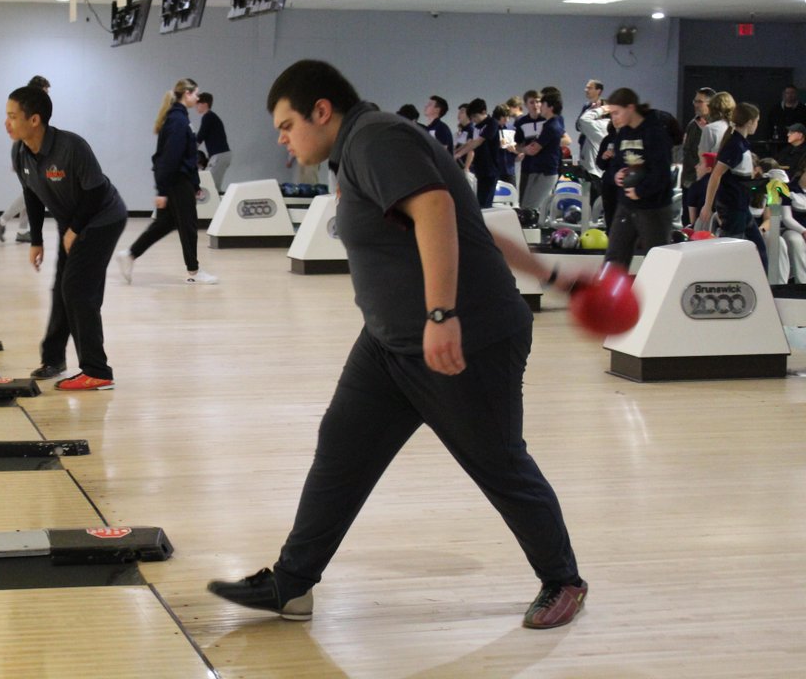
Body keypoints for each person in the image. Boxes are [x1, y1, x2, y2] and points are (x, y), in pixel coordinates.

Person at [207, 59, 587, 630]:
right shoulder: (363, 146)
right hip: (390, 344)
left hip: (466, 340)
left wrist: (442, 314)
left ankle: (563, 579)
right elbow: (468, 220)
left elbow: (436, 209)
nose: (281, 138)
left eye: (286, 125)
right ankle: (292, 583)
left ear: (322, 110)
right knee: (342, 445)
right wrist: (546, 272)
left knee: (497, 462)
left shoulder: (375, 138)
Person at [8, 84, 128, 391]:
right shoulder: (20, 151)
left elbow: (96, 190)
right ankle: (53, 360)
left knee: (77, 289)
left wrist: (75, 229)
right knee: (62, 288)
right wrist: (37, 240)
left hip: (101, 220)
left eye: (12, 116)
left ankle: (98, 371)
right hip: (71, 224)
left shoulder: (71, 146)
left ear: (34, 120)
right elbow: (32, 195)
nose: (6, 122)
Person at [117, 78, 219, 285]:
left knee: (165, 223)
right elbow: (169, 157)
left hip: (179, 180)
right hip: (177, 181)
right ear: (186, 94)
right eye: (196, 94)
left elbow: (179, 156)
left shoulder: (179, 118)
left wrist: (195, 184)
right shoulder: (178, 121)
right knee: (188, 226)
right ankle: (194, 271)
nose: (198, 98)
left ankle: (129, 254)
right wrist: (162, 190)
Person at [602, 87, 673, 268]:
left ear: (631, 108)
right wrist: (615, 175)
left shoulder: (655, 132)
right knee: (614, 257)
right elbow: (616, 164)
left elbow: (662, 172)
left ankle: (657, 295)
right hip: (626, 204)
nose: (614, 118)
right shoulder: (623, 134)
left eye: (617, 112)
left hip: (653, 207)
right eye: (611, 114)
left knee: (657, 259)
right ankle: (609, 296)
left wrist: (641, 191)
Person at [698, 102, 768, 269]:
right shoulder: (735, 145)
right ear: (750, 122)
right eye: (757, 121)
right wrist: (707, 206)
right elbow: (716, 174)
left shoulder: (740, 144)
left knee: (758, 251)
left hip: (740, 207)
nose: (757, 125)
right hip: (732, 207)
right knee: (732, 254)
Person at [0, 75, 51, 243]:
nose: (47, 94)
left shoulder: (31, 105)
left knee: (33, 192)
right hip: (25, 151)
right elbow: (22, 131)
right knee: (32, 191)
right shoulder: (29, 106)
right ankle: (2, 221)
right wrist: (19, 156)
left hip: (25, 151)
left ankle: (22, 231)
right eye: (45, 91)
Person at [519, 92, 565, 212]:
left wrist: (520, 149)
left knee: (531, 206)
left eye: (542, 104)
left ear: (550, 107)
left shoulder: (552, 126)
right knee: (527, 205)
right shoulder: (549, 124)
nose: (539, 107)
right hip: (539, 170)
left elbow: (534, 149)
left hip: (545, 172)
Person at [454, 98, 500, 208]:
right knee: (479, 201)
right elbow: (470, 143)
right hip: (480, 168)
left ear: (484, 112)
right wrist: (455, 152)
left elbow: (478, 142)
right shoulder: (476, 127)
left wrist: (459, 155)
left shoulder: (492, 123)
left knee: (485, 202)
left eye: (475, 116)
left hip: (490, 169)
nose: (473, 120)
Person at [195, 91, 232, 192]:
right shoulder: (211, 117)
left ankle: (219, 206)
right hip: (221, 155)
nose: (196, 107)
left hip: (219, 155)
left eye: (198, 104)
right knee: (212, 186)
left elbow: (200, 136)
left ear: (205, 104)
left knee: (208, 186)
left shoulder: (208, 117)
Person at [681, 87, 714, 190]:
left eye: (700, 102)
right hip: (688, 179)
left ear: (711, 103)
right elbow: (686, 150)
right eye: (695, 101)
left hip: (704, 181)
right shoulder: (693, 124)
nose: (696, 105)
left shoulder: (716, 126)